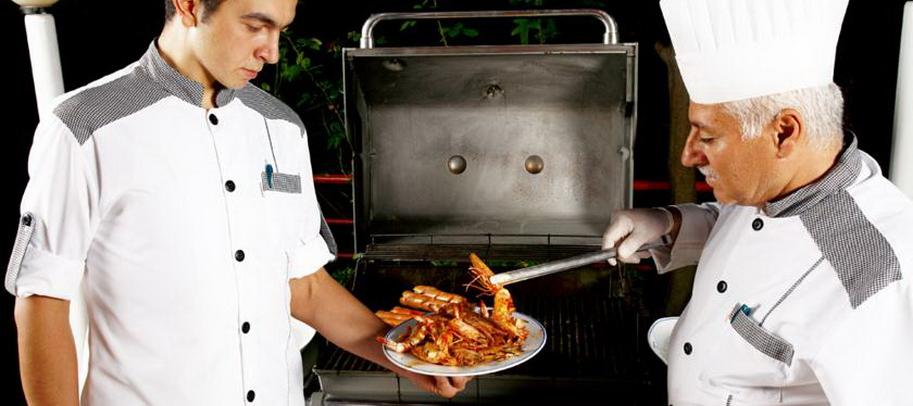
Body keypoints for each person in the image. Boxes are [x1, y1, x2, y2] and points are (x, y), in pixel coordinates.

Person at [7, 0, 468, 404]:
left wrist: (412, 358)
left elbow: (305, 286)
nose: (272, 52)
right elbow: (43, 300)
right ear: (189, 5)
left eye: (280, 30)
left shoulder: (281, 127)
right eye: (255, 25)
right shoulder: (84, 126)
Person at [603, 0, 913, 404]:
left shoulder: (875, 280)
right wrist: (667, 223)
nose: (688, 156)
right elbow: (754, 233)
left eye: (708, 137)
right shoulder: (779, 181)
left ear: (784, 133)